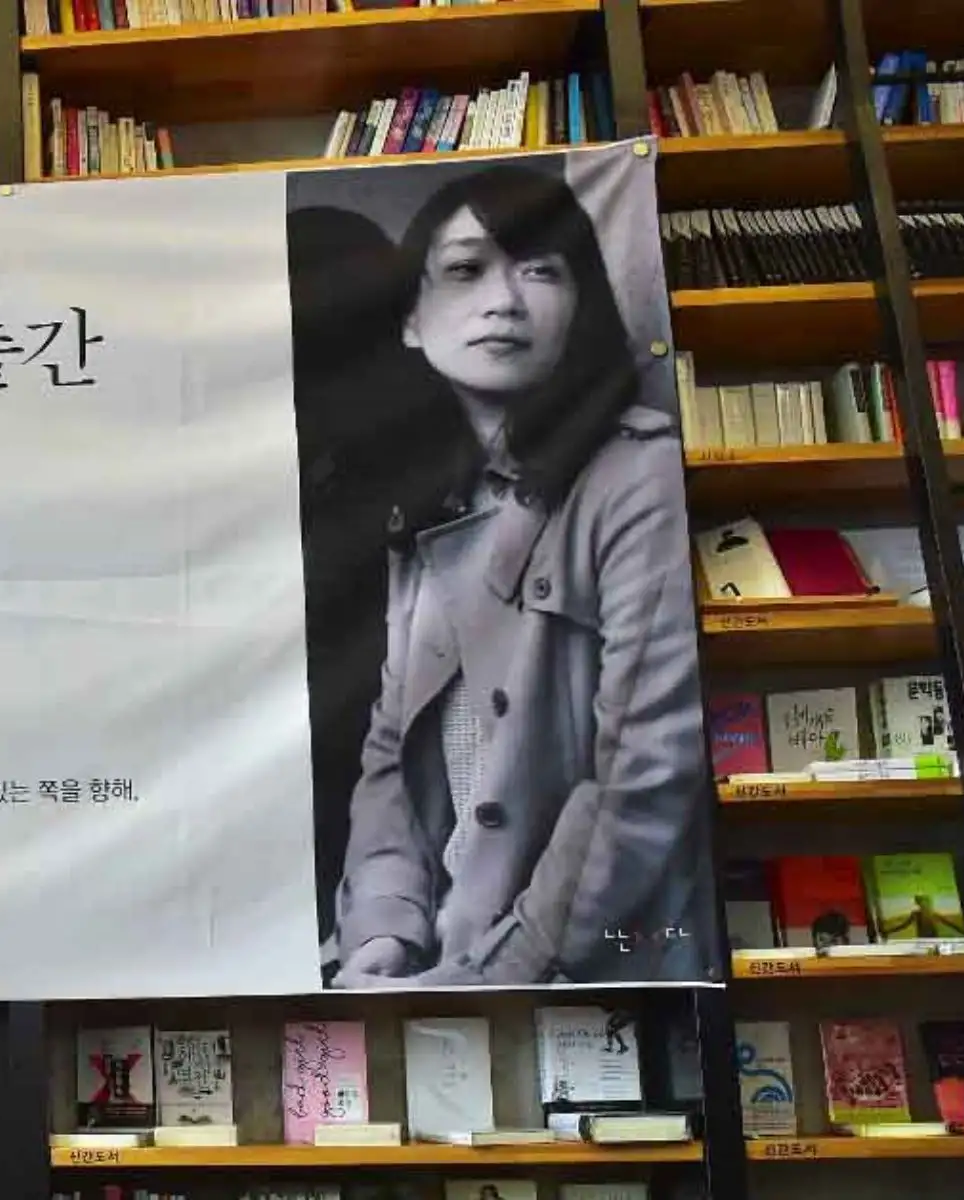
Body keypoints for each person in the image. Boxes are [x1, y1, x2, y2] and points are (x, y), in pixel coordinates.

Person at [328, 162, 709, 988]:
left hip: (583, 963)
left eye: (540, 268)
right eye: (466, 269)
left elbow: (646, 765)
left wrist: (510, 964)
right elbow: (389, 750)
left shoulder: (635, 476)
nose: (504, 299)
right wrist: (381, 932)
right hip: (441, 949)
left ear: (582, 305)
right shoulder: (427, 504)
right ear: (410, 320)